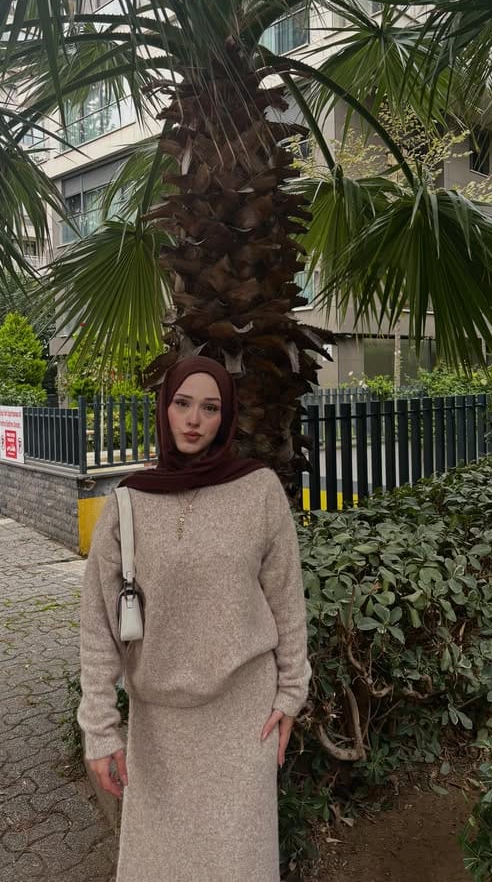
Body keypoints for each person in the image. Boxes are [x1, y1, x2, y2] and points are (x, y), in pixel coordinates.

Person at [78, 357, 311, 882]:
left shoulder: (258, 491)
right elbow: (98, 624)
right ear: (164, 408)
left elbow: (286, 600)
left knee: (238, 866)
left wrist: (291, 693)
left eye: (210, 408)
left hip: (243, 719)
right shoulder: (128, 501)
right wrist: (99, 728)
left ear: (226, 418)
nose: (193, 420)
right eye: (183, 403)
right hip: (159, 728)